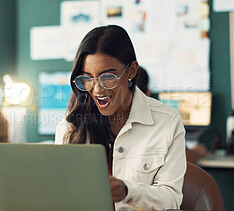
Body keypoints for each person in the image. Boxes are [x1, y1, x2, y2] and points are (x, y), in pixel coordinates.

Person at [55, 25, 186, 210]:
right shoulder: (70, 126)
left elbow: (171, 199)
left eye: (107, 76)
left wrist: (128, 191)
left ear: (131, 71)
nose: (98, 89)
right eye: (87, 78)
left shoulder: (168, 122)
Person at [135, 66, 207, 163]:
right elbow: (187, 157)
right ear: (148, 92)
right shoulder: (161, 124)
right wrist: (198, 151)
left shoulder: (112, 122)